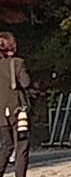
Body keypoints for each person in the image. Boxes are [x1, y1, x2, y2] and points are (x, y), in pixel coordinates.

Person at [0, 32, 30, 177]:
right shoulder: (17, 63)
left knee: (7, 146)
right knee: (21, 146)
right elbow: (26, 83)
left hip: (1, 112)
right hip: (18, 110)